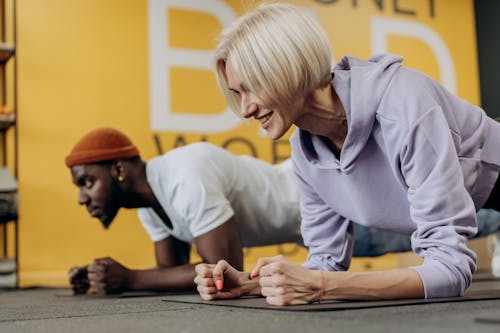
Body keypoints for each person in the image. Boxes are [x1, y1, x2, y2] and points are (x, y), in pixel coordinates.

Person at [193, 2, 500, 305]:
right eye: (238, 93)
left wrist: (320, 286)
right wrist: (252, 284)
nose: (245, 109)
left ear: (287, 66)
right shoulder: (305, 154)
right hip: (476, 194)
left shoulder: (403, 105)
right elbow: (325, 263)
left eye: (252, 88)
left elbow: (451, 270)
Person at [67, 128, 499, 295]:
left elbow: (221, 269)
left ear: (120, 169)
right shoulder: (148, 203)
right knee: (462, 217)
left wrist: (130, 278)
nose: (84, 198)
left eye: (87, 183)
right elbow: (178, 276)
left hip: (336, 211)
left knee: (471, 216)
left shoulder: (184, 173)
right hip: (310, 229)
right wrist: (107, 278)